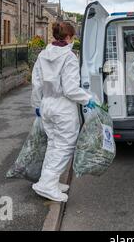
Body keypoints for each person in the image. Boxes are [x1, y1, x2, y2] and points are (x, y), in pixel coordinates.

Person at [31, 22, 96, 202]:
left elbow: (36, 82)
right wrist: (87, 99)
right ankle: (47, 185)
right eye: (73, 37)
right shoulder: (69, 57)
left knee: (53, 143)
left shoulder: (43, 55)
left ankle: (49, 181)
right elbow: (70, 89)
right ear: (68, 37)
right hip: (63, 107)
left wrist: (37, 104)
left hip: (46, 105)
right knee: (65, 146)